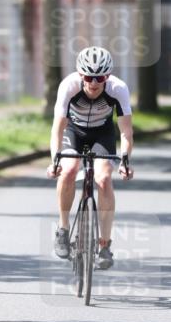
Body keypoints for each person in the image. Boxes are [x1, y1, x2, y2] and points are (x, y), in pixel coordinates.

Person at [47, 46, 134, 269]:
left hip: (102, 134)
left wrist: (125, 161)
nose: (94, 83)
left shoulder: (118, 89)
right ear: (80, 74)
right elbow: (57, 128)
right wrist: (54, 160)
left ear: (108, 76)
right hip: (73, 132)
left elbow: (125, 131)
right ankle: (63, 229)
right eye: (88, 76)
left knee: (104, 179)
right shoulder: (69, 86)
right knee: (68, 171)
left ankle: (104, 245)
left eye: (100, 77)